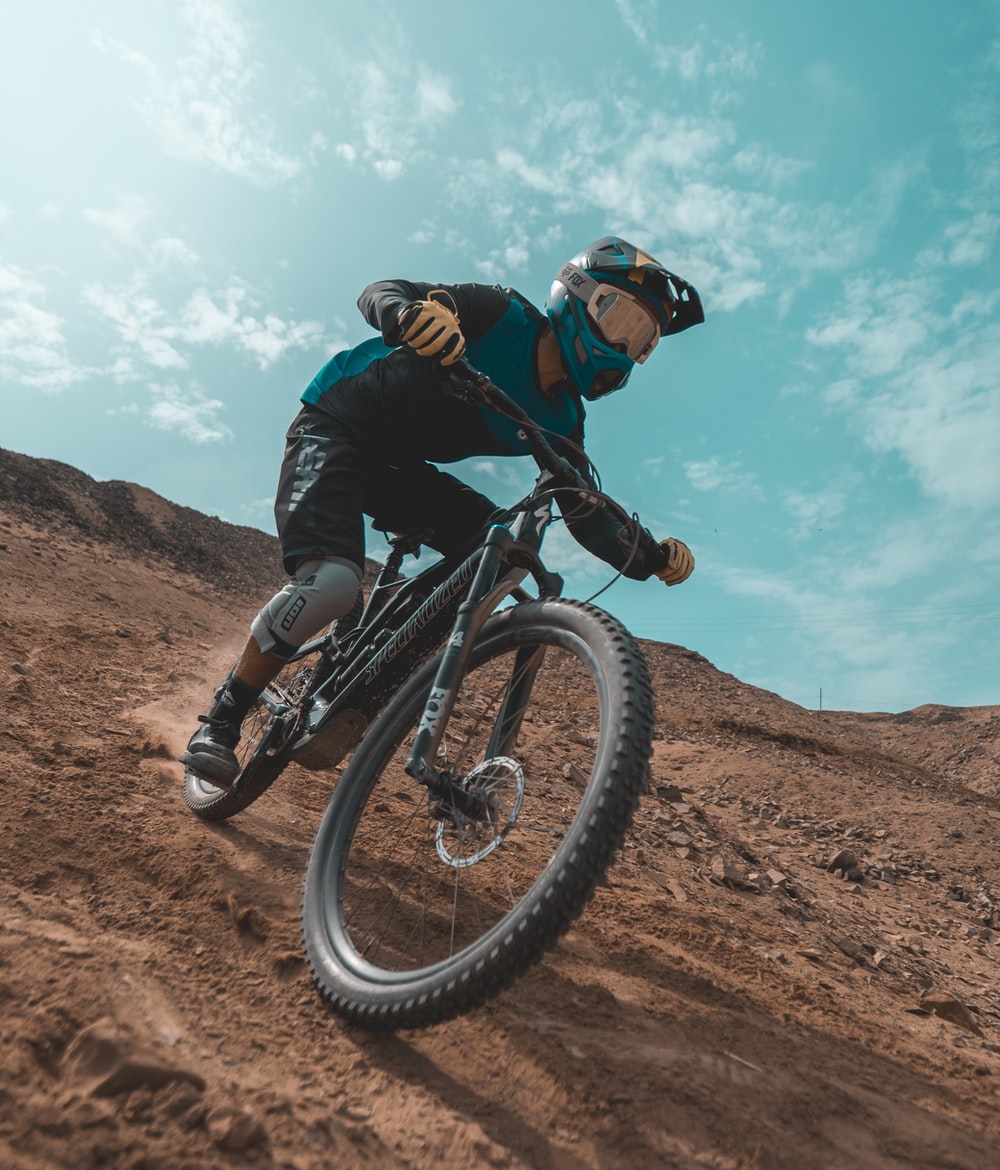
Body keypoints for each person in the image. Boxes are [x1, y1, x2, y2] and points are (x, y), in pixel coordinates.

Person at [182, 236, 704, 788]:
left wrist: (648, 556)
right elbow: (380, 291)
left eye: (641, 340)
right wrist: (407, 314)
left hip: (399, 470)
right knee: (333, 585)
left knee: (501, 552)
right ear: (575, 293)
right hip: (335, 425)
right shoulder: (499, 313)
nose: (624, 347)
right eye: (620, 317)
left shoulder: (563, 420)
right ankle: (222, 720)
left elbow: (585, 511)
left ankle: (369, 677)